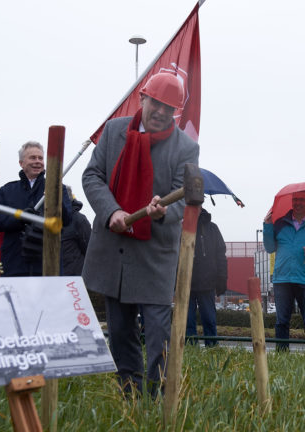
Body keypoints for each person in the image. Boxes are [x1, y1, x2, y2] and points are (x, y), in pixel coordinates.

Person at [81, 72, 199, 397]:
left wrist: (163, 212)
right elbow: (92, 176)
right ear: (143, 98)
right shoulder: (114, 131)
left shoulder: (186, 148)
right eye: (156, 103)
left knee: (158, 329)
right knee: (120, 328)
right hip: (114, 246)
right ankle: (129, 387)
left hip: (155, 253)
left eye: (169, 108)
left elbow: (183, 195)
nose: (161, 112)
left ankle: (157, 390)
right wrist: (112, 212)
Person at [0, 141, 72, 276]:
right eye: (32, 158)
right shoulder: (7, 190)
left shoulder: (57, 187)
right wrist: (19, 217)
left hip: (47, 263)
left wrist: (56, 197)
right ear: (21, 163)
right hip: (14, 262)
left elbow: (67, 219)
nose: (37, 162)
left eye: (40, 158)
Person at [263, 190, 305, 352]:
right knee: (281, 321)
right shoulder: (279, 223)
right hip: (282, 279)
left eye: (301, 200)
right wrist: (267, 225)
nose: (297, 203)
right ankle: (281, 354)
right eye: (295, 200)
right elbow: (270, 248)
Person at [186, 208, 227, 347]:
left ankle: (212, 350)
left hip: (207, 282)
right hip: (185, 283)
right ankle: (190, 351)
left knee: (209, 321)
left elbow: (221, 255)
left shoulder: (212, 228)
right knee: (187, 322)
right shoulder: (180, 225)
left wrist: (222, 278)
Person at [60, 186, 92, 276]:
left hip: (75, 279)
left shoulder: (78, 219)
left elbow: (89, 250)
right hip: (51, 278)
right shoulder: (42, 219)